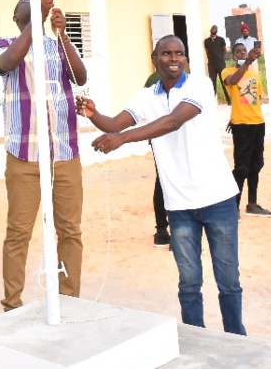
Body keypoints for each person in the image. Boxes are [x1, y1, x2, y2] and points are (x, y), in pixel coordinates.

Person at [77, 35, 245, 336]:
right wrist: (94, 114)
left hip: (218, 199)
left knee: (228, 281)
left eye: (179, 53)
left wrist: (124, 139)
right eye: (166, 53)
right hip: (179, 205)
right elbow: (116, 124)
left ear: (186, 58)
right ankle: (197, 338)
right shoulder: (146, 97)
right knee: (189, 283)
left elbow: (174, 121)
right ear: (154, 59)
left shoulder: (200, 86)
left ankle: (236, 339)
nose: (173, 59)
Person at [0, 0, 87, 312]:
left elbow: (80, 76)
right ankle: (12, 304)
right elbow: (9, 62)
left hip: (64, 153)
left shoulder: (55, 45)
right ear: (17, 17)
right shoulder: (6, 44)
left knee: (70, 230)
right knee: (18, 232)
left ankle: (68, 299)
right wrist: (39, 19)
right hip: (24, 156)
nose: (32, 9)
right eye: (26, 7)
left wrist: (61, 35)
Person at [221, 42, 271, 217]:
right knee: (241, 167)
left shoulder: (254, 76)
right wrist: (247, 61)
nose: (242, 53)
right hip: (242, 126)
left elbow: (254, 99)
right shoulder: (227, 72)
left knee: (256, 164)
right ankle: (233, 208)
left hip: (258, 123)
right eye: (239, 51)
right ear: (233, 55)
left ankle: (252, 204)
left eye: (244, 51)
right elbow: (233, 82)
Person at [144, 53, 170, 248]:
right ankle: (163, 230)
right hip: (163, 137)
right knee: (164, 181)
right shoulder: (154, 81)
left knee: (163, 180)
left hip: (163, 136)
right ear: (155, 60)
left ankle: (163, 230)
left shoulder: (151, 80)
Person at [204, 25, 228, 99]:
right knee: (212, 83)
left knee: (224, 81)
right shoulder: (206, 41)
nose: (213, 29)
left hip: (220, 64)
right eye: (212, 28)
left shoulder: (221, 39)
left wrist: (219, 57)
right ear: (210, 30)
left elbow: (224, 51)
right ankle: (212, 100)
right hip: (211, 64)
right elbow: (207, 52)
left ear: (217, 30)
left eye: (215, 28)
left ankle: (229, 100)